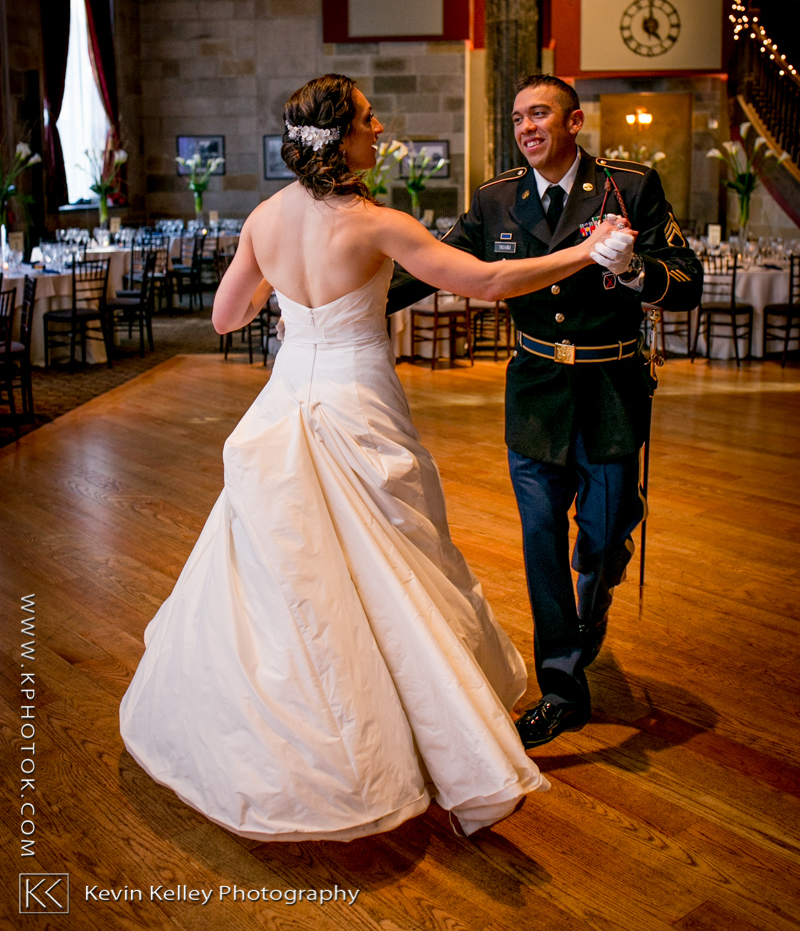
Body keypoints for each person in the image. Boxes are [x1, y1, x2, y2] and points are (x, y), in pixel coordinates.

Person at [119, 73, 623, 843]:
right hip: (356, 399)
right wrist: (585, 255)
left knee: (294, 576)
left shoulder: (263, 217)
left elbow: (227, 316)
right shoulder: (378, 224)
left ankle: (301, 731)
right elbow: (486, 282)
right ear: (342, 140)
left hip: (290, 395)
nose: (378, 127)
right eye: (367, 118)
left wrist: (286, 309)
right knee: (393, 558)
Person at [388, 74, 703, 749]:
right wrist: (348, 302)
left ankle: (600, 587)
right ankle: (562, 686)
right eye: (518, 118)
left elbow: (687, 281)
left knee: (607, 530)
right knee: (540, 544)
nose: (527, 127)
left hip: (612, 388)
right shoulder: (497, 198)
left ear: (574, 122)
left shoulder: (630, 185)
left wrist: (634, 269)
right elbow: (432, 264)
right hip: (534, 392)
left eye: (540, 114)